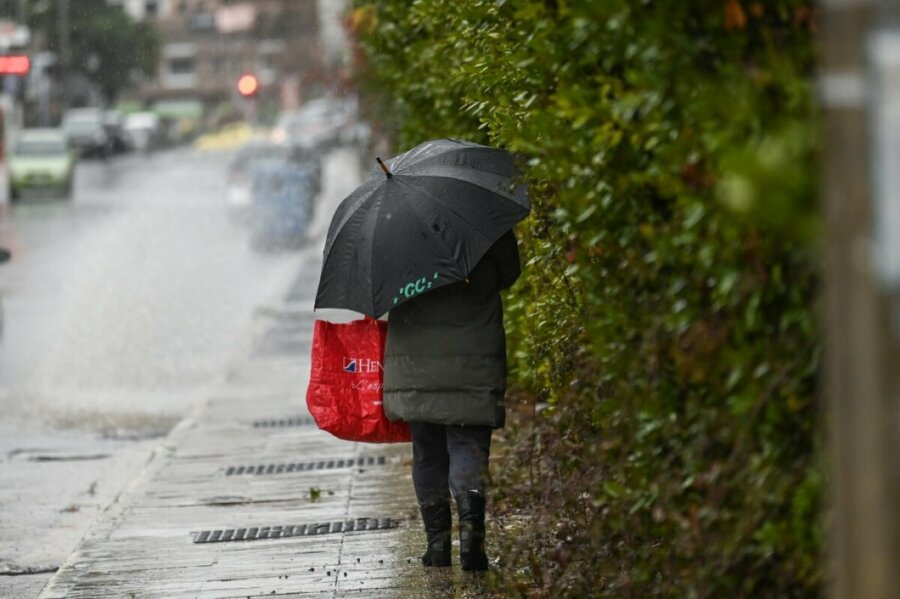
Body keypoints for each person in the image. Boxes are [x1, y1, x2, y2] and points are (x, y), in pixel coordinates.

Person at [383, 229, 521, 571]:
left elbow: (381, 293)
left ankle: (438, 545)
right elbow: (510, 273)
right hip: (474, 355)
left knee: (427, 450)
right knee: (469, 445)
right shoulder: (485, 220)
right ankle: (472, 538)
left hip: (415, 362)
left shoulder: (393, 232)